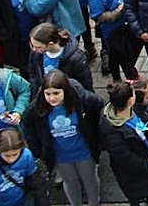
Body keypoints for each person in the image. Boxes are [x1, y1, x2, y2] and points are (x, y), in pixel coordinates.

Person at [21, 68, 103, 206]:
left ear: (65, 91)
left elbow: (98, 111)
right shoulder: (37, 108)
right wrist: (38, 151)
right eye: (48, 94)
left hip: (84, 152)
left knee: (90, 181)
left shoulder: (83, 100)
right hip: (60, 156)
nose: (52, 98)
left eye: (56, 93)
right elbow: (28, 126)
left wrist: (99, 141)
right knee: (70, 183)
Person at [99, 79, 148, 206]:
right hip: (132, 176)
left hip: (147, 167)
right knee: (138, 197)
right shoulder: (112, 132)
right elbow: (125, 159)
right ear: (130, 101)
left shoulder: (136, 110)